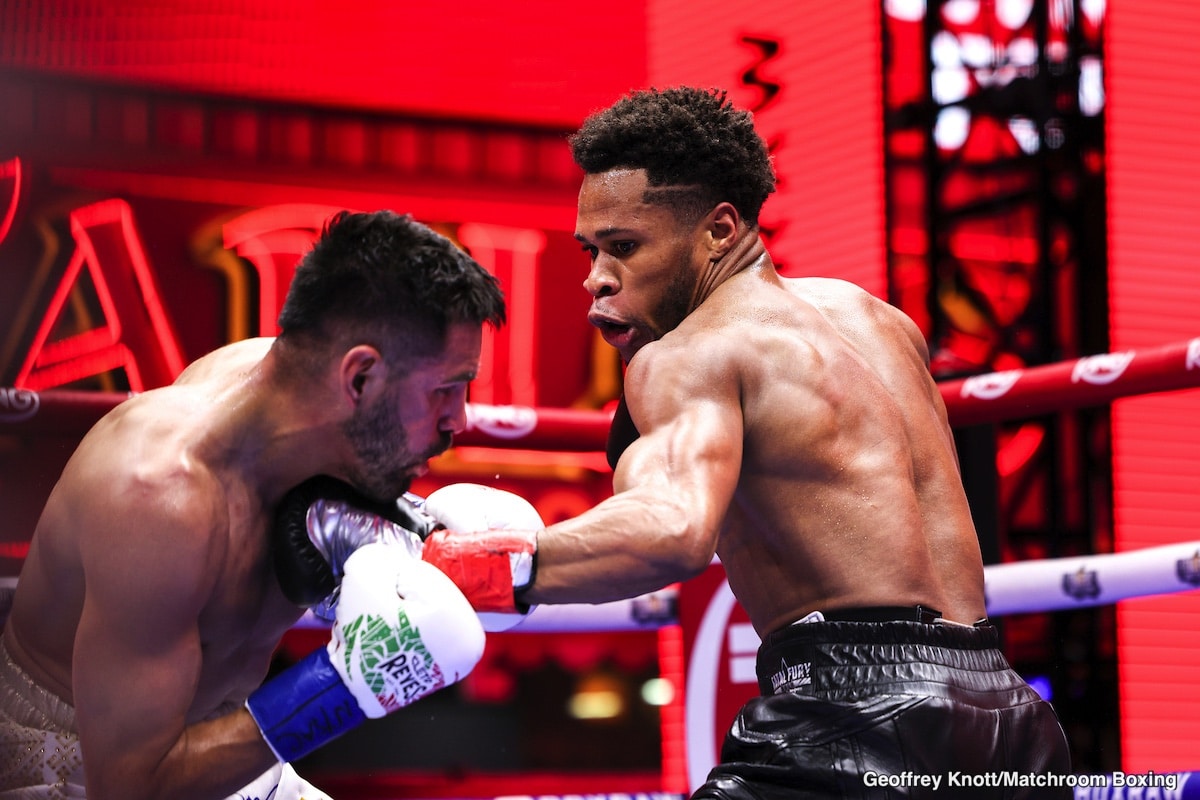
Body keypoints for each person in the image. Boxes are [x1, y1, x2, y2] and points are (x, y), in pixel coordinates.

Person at [406, 87, 1074, 797]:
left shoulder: (689, 356)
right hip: (1012, 719)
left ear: (720, 230)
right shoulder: (878, 320)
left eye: (625, 248)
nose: (596, 278)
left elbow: (671, 531)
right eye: (590, 250)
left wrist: (455, 566)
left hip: (853, 718)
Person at [0, 210, 506, 799]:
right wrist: (339, 689)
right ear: (360, 378)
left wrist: (483, 558)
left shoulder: (298, 399)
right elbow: (130, 788)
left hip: (226, 750)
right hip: (76, 769)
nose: (459, 419)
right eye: (446, 389)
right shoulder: (158, 500)